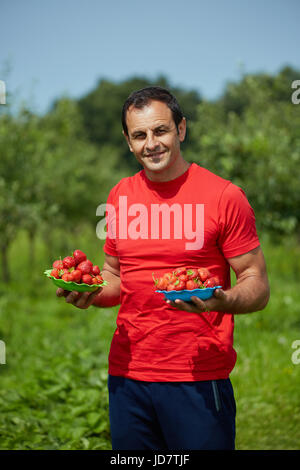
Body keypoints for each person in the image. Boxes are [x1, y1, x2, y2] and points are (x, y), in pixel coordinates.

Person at [56, 86, 270, 450]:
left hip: (197, 376)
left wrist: (221, 300)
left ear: (181, 130)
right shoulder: (120, 195)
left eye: (161, 131)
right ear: (128, 141)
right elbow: (115, 276)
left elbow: (256, 283)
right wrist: (89, 292)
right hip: (128, 375)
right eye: (139, 135)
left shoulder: (223, 196)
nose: (151, 143)